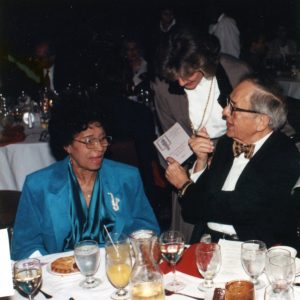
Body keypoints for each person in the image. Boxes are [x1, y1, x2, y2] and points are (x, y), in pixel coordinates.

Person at [11, 96, 160, 260]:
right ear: (67, 145)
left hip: (118, 269)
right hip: (62, 278)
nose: (99, 148)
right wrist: (53, 268)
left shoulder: (126, 178)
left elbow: (146, 229)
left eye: (102, 139)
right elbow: (25, 245)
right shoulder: (38, 186)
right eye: (89, 141)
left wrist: (134, 251)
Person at [165, 76, 299, 247]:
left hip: (252, 250)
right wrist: (201, 161)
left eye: (233, 108)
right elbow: (193, 211)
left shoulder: (283, 154)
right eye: (228, 103)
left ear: (261, 121)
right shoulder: (227, 143)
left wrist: (184, 184)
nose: (224, 112)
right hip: (209, 244)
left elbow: (235, 207)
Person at [152, 28, 251, 240]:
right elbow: (170, 134)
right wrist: (189, 165)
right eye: (174, 77)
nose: (179, 83)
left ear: (203, 62)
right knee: (188, 238)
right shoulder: (163, 85)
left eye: (187, 76)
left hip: (235, 158)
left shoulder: (236, 73)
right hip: (190, 163)